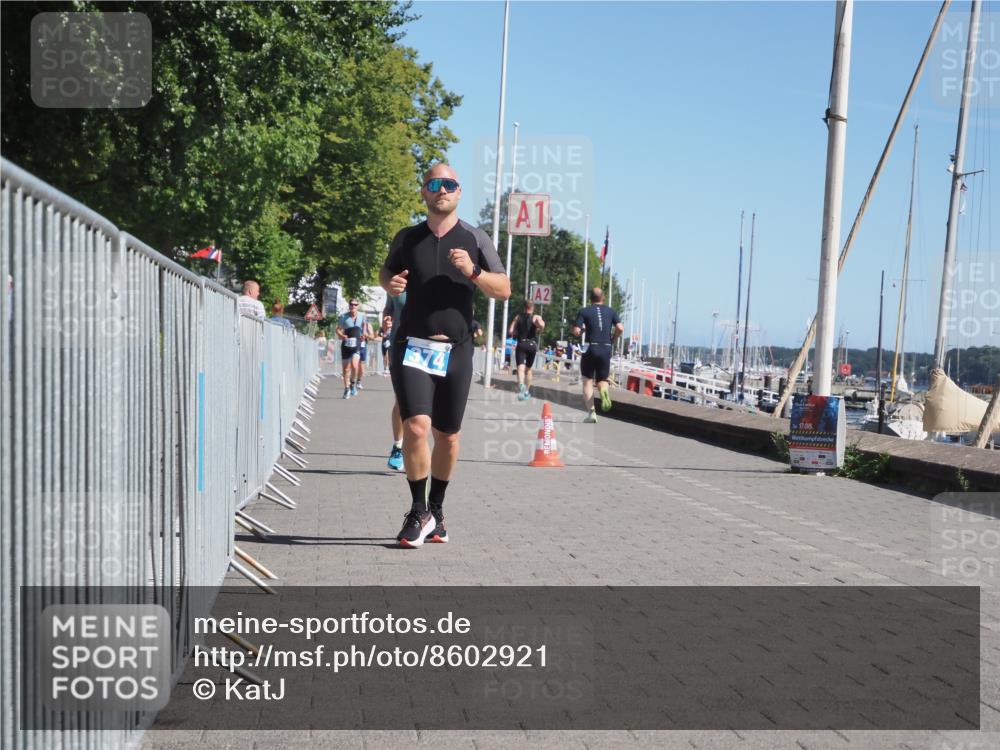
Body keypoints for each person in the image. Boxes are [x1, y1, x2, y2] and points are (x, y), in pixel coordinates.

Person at [380, 164, 509, 547]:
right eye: (434, 184)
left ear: (459, 192)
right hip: (413, 347)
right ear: (423, 192)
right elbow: (385, 273)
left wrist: (473, 272)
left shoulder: (475, 238)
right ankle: (417, 511)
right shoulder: (407, 237)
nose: (442, 190)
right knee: (417, 427)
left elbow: (503, 289)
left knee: (448, 437)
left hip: (457, 351)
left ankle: (436, 511)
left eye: (449, 184)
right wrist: (391, 282)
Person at [572, 287, 623, 423]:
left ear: (590, 298)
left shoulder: (584, 311)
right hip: (606, 347)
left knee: (587, 380)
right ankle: (603, 392)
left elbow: (576, 331)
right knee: (602, 379)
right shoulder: (611, 311)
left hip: (591, 347)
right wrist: (614, 338)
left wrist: (582, 330)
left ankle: (592, 413)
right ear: (603, 298)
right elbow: (620, 328)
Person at [382, 291, 407, 471]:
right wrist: (387, 319)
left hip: (430, 349)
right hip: (400, 346)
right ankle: (398, 446)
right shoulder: (396, 280)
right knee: (402, 400)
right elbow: (388, 309)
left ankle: (416, 446)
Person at [508, 299, 544, 401]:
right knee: (528, 369)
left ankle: (521, 385)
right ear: (533, 308)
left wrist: (515, 331)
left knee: (520, 368)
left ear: (524, 308)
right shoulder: (535, 317)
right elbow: (541, 324)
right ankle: (527, 391)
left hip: (521, 343)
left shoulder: (518, 317)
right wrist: (539, 328)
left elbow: (510, 331)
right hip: (532, 344)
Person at [336, 299, 365, 399]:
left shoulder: (362, 316)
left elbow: (364, 325)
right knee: (345, 369)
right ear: (349, 306)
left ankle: (353, 383)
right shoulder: (344, 316)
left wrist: (363, 335)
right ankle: (347, 388)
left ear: (358, 306)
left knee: (354, 365)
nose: (353, 306)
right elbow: (338, 330)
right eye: (351, 304)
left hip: (356, 344)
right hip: (346, 344)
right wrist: (342, 335)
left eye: (355, 305)